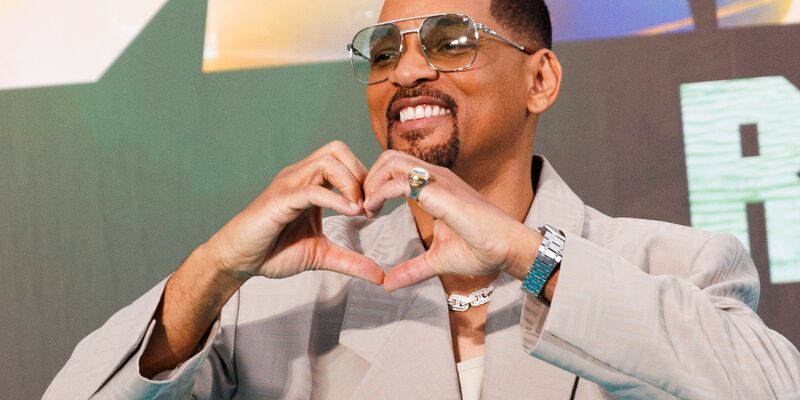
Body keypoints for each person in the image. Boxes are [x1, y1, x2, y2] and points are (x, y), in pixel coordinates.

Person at [45, 0, 800, 399]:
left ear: (540, 79)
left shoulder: (676, 263)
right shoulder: (280, 306)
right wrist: (211, 269)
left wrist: (523, 252)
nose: (406, 70)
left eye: (448, 40)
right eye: (383, 51)